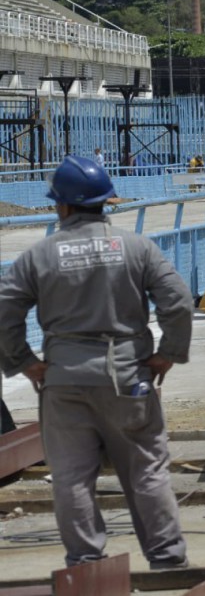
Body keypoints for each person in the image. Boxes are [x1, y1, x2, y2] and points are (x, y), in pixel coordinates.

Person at [0, 155, 193, 569]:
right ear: (107, 201)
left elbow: (5, 310)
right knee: (146, 469)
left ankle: (86, 565)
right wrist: (167, 354)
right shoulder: (136, 247)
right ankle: (166, 558)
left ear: (62, 206)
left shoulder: (39, 256)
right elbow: (177, 302)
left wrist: (25, 362)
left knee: (71, 477)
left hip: (64, 380)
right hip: (128, 375)